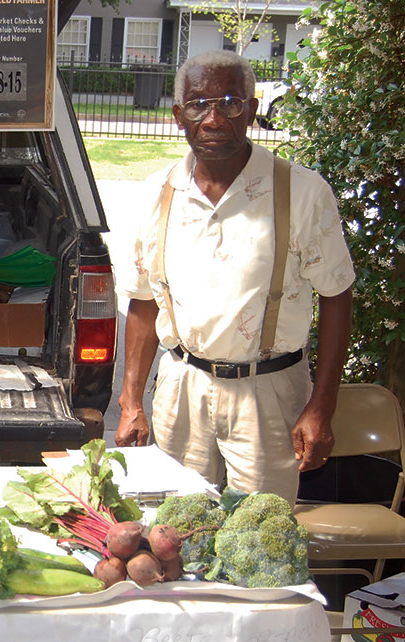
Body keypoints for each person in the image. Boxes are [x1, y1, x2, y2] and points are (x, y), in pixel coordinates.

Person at [114, 50, 355, 504]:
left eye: (228, 102)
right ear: (177, 117)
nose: (213, 119)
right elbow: (143, 301)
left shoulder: (301, 192)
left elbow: (337, 296)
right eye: (198, 105)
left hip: (269, 395)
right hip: (182, 389)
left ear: (252, 110)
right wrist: (130, 403)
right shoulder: (157, 193)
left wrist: (321, 407)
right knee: (173, 532)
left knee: (261, 540)